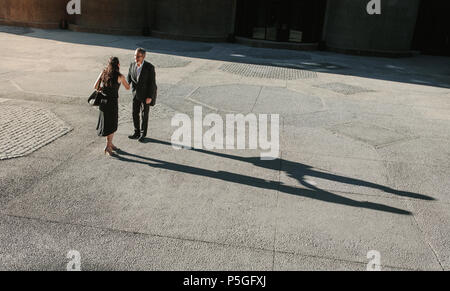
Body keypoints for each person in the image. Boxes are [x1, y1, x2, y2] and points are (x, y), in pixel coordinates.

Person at [93, 57, 130, 155]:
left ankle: (110, 144)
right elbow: (127, 87)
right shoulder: (120, 76)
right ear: (118, 65)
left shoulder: (104, 73)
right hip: (112, 103)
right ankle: (108, 147)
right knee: (112, 125)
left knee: (107, 123)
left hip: (103, 102)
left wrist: (101, 89)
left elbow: (95, 86)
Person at [127, 48, 157, 142]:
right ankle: (136, 132)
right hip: (135, 94)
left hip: (146, 95)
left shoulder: (149, 67)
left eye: (138, 56)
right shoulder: (132, 65)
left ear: (143, 56)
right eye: (135, 55)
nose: (136, 58)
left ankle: (143, 134)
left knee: (144, 115)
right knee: (134, 113)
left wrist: (150, 97)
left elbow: (152, 83)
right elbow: (129, 77)